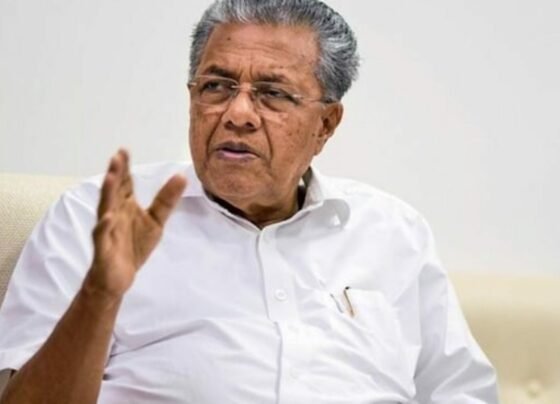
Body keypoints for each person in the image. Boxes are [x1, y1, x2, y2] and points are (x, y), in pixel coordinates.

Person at [0, 0, 499, 403]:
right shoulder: (94, 218)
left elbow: (461, 392)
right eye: (217, 87)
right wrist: (100, 295)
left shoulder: (392, 231)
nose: (237, 113)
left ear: (326, 125)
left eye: (272, 93)